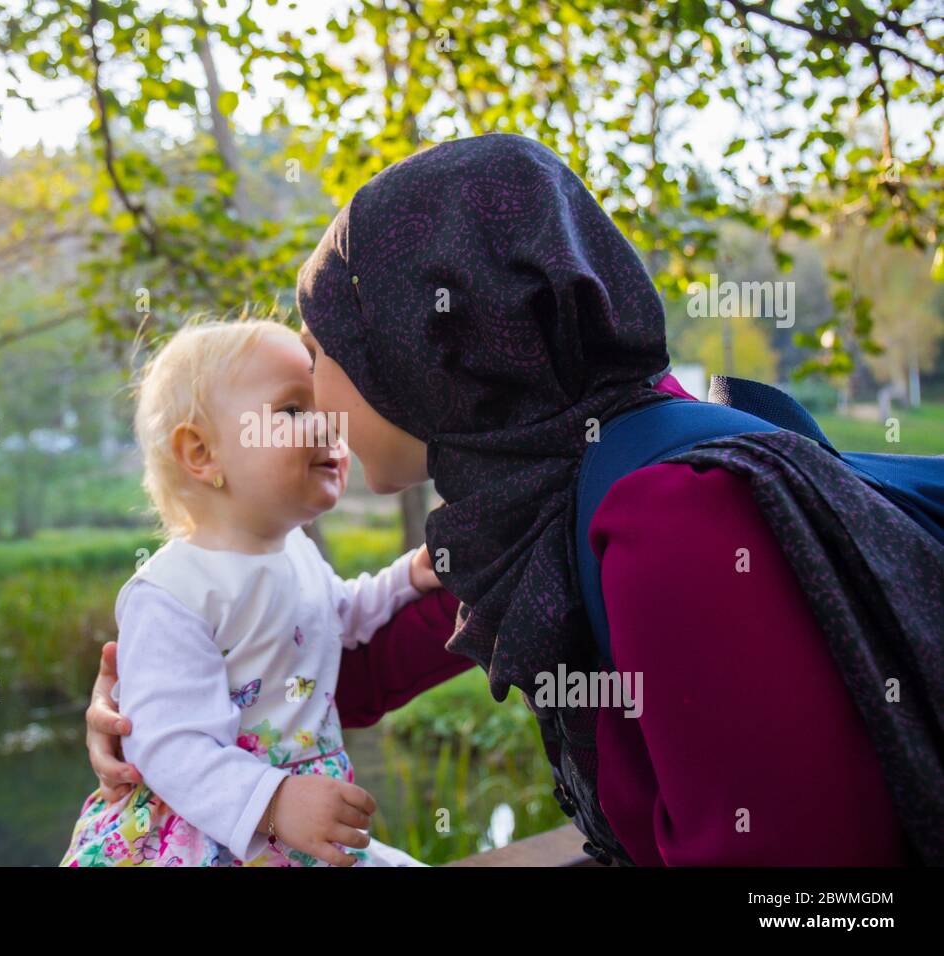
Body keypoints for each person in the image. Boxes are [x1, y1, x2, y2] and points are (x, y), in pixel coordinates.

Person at [85, 134, 944, 866]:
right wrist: (155, 719)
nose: (318, 393)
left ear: (432, 348)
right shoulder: (540, 501)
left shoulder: (673, 520)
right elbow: (342, 677)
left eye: (325, 352)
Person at [60, 318, 441, 867]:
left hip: (295, 823)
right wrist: (275, 800)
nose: (329, 423)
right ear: (201, 453)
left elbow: (342, 616)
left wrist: (407, 576)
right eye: (293, 410)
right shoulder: (172, 592)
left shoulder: (296, 552)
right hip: (209, 833)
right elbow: (170, 745)